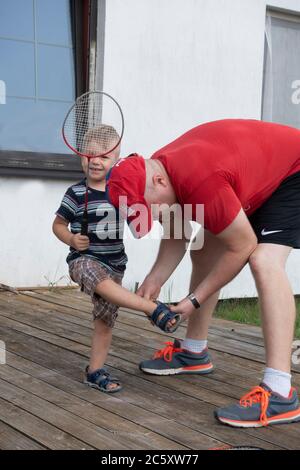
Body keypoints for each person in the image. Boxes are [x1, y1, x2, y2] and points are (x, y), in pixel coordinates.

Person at [106, 118, 300, 426]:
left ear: (157, 183)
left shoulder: (197, 179)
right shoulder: (160, 172)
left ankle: (280, 393)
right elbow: (177, 232)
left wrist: (192, 301)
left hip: (293, 170)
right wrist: (155, 280)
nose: (151, 216)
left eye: (148, 208)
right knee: (205, 247)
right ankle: (194, 352)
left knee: (263, 260)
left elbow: (241, 246)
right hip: (252, 173)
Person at [53, 126, 180, 394]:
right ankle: (150, 308)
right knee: (93, 274)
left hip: (114, 265)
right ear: (80, 156)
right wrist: (72, 240)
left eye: (105, 156)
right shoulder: (75, 193)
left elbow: (141, 223)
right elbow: (58, 225)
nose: (96, 161)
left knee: (104, 321)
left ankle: (95, 370)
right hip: (83, 260)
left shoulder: (120, 191)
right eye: (89, 155)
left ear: (115, 161)